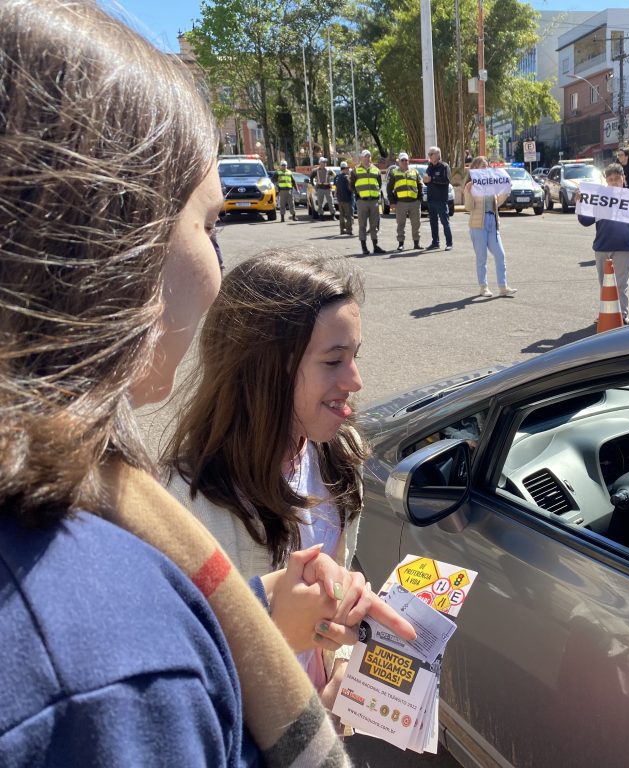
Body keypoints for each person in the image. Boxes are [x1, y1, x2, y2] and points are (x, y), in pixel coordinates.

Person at [0, 3, 413, 764]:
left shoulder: (331, 457)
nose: (216, 273)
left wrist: (279, 620)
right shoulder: (107, 657)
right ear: (115, 249)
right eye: (209, 224)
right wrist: (259, 662)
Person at [164, 249, 371, 694]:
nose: (355, 380)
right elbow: (179, 670)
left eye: (355, 356)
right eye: (333, 361)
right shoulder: (186, 502)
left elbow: (336, 593)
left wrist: (341, 663)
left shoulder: (341, 455)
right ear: (263, 368)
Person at [577, 162, 629, 323]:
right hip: (602, 247)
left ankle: (622, 315)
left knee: (621, 284)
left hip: (623, 247)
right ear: (606, 181)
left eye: (617, 179)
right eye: (611, 179)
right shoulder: (599, 199)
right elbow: (585, 221)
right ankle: (605, 314)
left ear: (623, 178)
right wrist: (580, 203)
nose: (614, 182)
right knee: (605, 284)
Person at [464, 156, 516, 298]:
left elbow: (497, 202)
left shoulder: (491, 184)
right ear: (475, 168)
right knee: (482, 257)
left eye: (486, 166)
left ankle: (503, 287)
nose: (485, 168)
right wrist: (468, 192)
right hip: (477, 224)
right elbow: (468, 207)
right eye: (482, 166)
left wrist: (506, 189)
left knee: (500, 254)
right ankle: (483, 287)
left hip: (492, 222)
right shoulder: (471, 185)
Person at [388, 152, 423, 251]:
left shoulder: (415, 172)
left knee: (416, 223)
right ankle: (401, 244)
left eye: (406, 160)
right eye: (402, 160)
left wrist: (419, 199)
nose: (404, 162)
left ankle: (416, 243)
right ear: (399, 161)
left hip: (414, 202)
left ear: (408, 161)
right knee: (401, 224)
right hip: (401, 203)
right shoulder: (394, 173)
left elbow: (420, 186)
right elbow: (389, 189)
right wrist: (392, 202)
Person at [353, 149, 385, 254]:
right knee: (362, 225)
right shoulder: (356, 170)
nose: (367, 158)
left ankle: (375, 246)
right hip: (362, 201)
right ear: (361, 158)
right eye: (365, 156)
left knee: (374, 225)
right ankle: (364, 247)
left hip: (374, 201)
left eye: (369, 156)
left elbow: (379, 184)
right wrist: (358, 195)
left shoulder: (376, 170)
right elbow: (351, 185)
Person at [423, 145, 454, 251]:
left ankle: (449, 243)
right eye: (429, 154)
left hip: (441, 200)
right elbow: (427, 180)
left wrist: (432, 179)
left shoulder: (444, 166)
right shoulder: (430, 166)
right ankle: (435, 243)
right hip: (431, 199)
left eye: (431, 154)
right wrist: (425, 181)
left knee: (445, 222)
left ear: (437, 155)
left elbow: (446, 180)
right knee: (433, 222)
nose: (429, 156)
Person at [312, 156, 336, 220]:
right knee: (320, 203)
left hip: (327, 188)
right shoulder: (316, 170)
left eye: (325, 162)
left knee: (331, 202)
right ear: (320, 163)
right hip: (320, 188)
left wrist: (333, 183)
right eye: (323, 162)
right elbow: (311, 177)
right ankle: (321, 215)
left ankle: (333, 215)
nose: (325, 163)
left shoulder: (329, 170)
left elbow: (335, 176)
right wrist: (313, 185)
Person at [335, 160, 354, 236]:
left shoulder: (337, 177)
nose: (348, 170)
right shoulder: (346, 177)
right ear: (345, 169)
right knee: (349, 215)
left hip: (340, 199)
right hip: (347, 199)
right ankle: (349, 230)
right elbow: (350, 188)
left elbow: (337, 188)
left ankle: (342, 230)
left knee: (342, 215)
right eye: (347, 169)